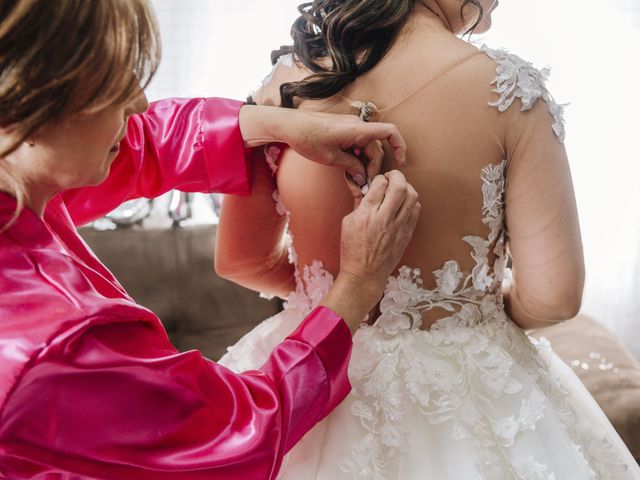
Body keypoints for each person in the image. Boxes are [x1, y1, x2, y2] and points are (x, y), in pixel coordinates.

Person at [216, 0, 640, 478]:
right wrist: (462, 306)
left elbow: (240, 261)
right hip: (461, 388)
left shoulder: (282, 92)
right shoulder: (511, 94)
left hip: (304, 375)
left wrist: (328, 297)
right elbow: (554, 297)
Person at [0, 1, 421, 479]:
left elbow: (143, 145)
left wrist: (275, 124)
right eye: (110, 83)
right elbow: (241, 434)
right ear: (24, 104)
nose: (137, 103)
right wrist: (359, 282)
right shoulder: (49, 343)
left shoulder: (17, 172)